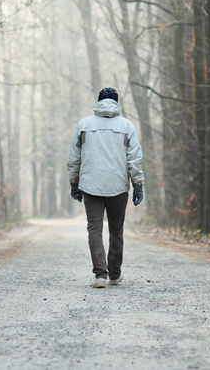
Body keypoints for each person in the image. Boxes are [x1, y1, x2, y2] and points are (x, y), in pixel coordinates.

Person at [67, 87, 145, 288]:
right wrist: (137, 184)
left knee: (94, 229)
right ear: (116, 102)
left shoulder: (84, 125)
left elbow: (74, 158)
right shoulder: (127, 126)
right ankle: (115, 274)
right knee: (116, 230)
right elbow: (134, 159)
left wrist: (74, 183)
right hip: (118, 186)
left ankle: (100, 275)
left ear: (99, 101)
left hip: (90, 185)